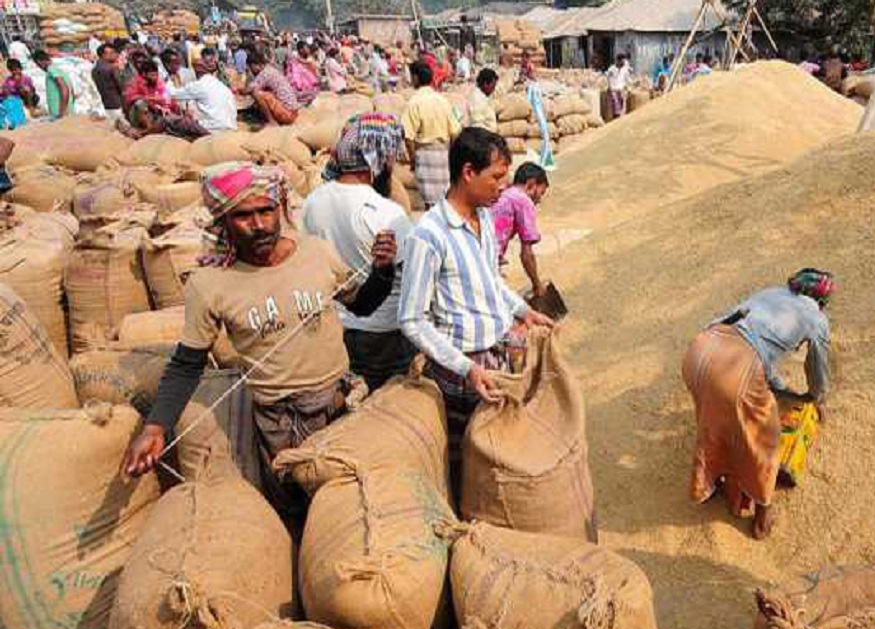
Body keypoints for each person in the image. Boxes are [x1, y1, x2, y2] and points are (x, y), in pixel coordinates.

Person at [122, 162, 398, 535]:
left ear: (279, 209)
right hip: (281, 423)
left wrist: (382, 270)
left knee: (349, 515)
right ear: (223, 222)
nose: (259, 225)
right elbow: (187, 365)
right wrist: (156, 428)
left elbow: (362, 304)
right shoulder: (210, 284)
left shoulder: (316, 253)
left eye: (266, 211)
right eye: (243, 216)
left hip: (340, 405)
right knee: (297, 518)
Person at [397, 128, 555, 499]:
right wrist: (466, 369)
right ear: (468, 172)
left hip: (495, 358)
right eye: (496, 177)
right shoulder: (429, 236)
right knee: (466, 458)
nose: (503, 187)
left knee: (498, 453)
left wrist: (523, 310)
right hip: (461, 370)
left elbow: (490, 279)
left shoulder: (483, 219)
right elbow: (411, 320)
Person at [683, 269, 834, 540]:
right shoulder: (816, 318)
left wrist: (780, 388)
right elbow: (818, 369)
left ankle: (707, 483)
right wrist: (815, 398)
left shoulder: (772, 293)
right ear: (822, 301)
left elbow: (754, 345)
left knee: (713, 419)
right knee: (764, 437)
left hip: (700, 351)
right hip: (735, 368)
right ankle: (764, 511)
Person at [301, 113, 416, 392]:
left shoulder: (314, 200)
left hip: (336, 328)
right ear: (377, 159)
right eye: (389, 157)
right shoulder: (386, 212)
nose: (392, 164)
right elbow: (412, 274)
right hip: (383, 333)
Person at [402, 61, 462, 209]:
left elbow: (408, 136)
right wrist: (451, 156)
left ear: (415, 78)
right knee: (445, 201)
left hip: (425, 155)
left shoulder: (414, 102)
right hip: (443, 155)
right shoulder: (443, 101)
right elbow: (455, 132)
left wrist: (412, 160)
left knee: (430, 204)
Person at [492, 162, 549, 296]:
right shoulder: (523, 201)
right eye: (541, 193)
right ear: (531, 185)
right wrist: (537, 284)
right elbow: (526, 254)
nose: (539, 200)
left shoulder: (504, 194)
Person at [166, 58, 237, 133]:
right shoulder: (221, 85)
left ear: (196, 71)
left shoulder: (198, 85)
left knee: (174, 122)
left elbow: (172, 94)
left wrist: (168, 79)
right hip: (231, 126)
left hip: (213, 128)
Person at [243, 50, 301, 126]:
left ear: (257, 65)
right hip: (293, 112)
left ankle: (271, 121)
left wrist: (237, 90)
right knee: (264, 93)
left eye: (251, 67)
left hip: (287, 114)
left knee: (255, 93)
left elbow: (248, 90)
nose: (251, 70)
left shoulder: (264, 73)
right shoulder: (270, 69)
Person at [33, 51, 73, 120]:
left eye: (38, 64)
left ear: (39, 62)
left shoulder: (51, 70)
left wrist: (62, 111)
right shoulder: (59, 71)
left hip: (59, 114)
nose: (39, 67)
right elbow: (71, 90)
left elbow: (64, 89)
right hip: (62, 113)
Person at [91, 43, 124, 123]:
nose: (114, 55)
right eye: (111, 53)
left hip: (103, 104)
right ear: (103, 55)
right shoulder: (111, 68)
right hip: (115, 103)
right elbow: (120, 86)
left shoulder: (94, 69)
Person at [466, 67, 498, 132]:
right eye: (493, 86)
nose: (493, 89)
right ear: (485, 84)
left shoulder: (483, 97)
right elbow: (477, 124)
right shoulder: (476, 98)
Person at [606, 54, 631, 118]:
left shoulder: (625, 69)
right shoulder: (611, 69)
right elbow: (609, 79)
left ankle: (621, 116)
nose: (623, 63)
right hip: (614, 89)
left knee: (623, 100)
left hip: (621, 89)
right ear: (618, 61)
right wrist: (610, 88)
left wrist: (627, 88)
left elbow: (627, 79)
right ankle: (616, 116)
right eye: (621, 62)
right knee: (615, 102)